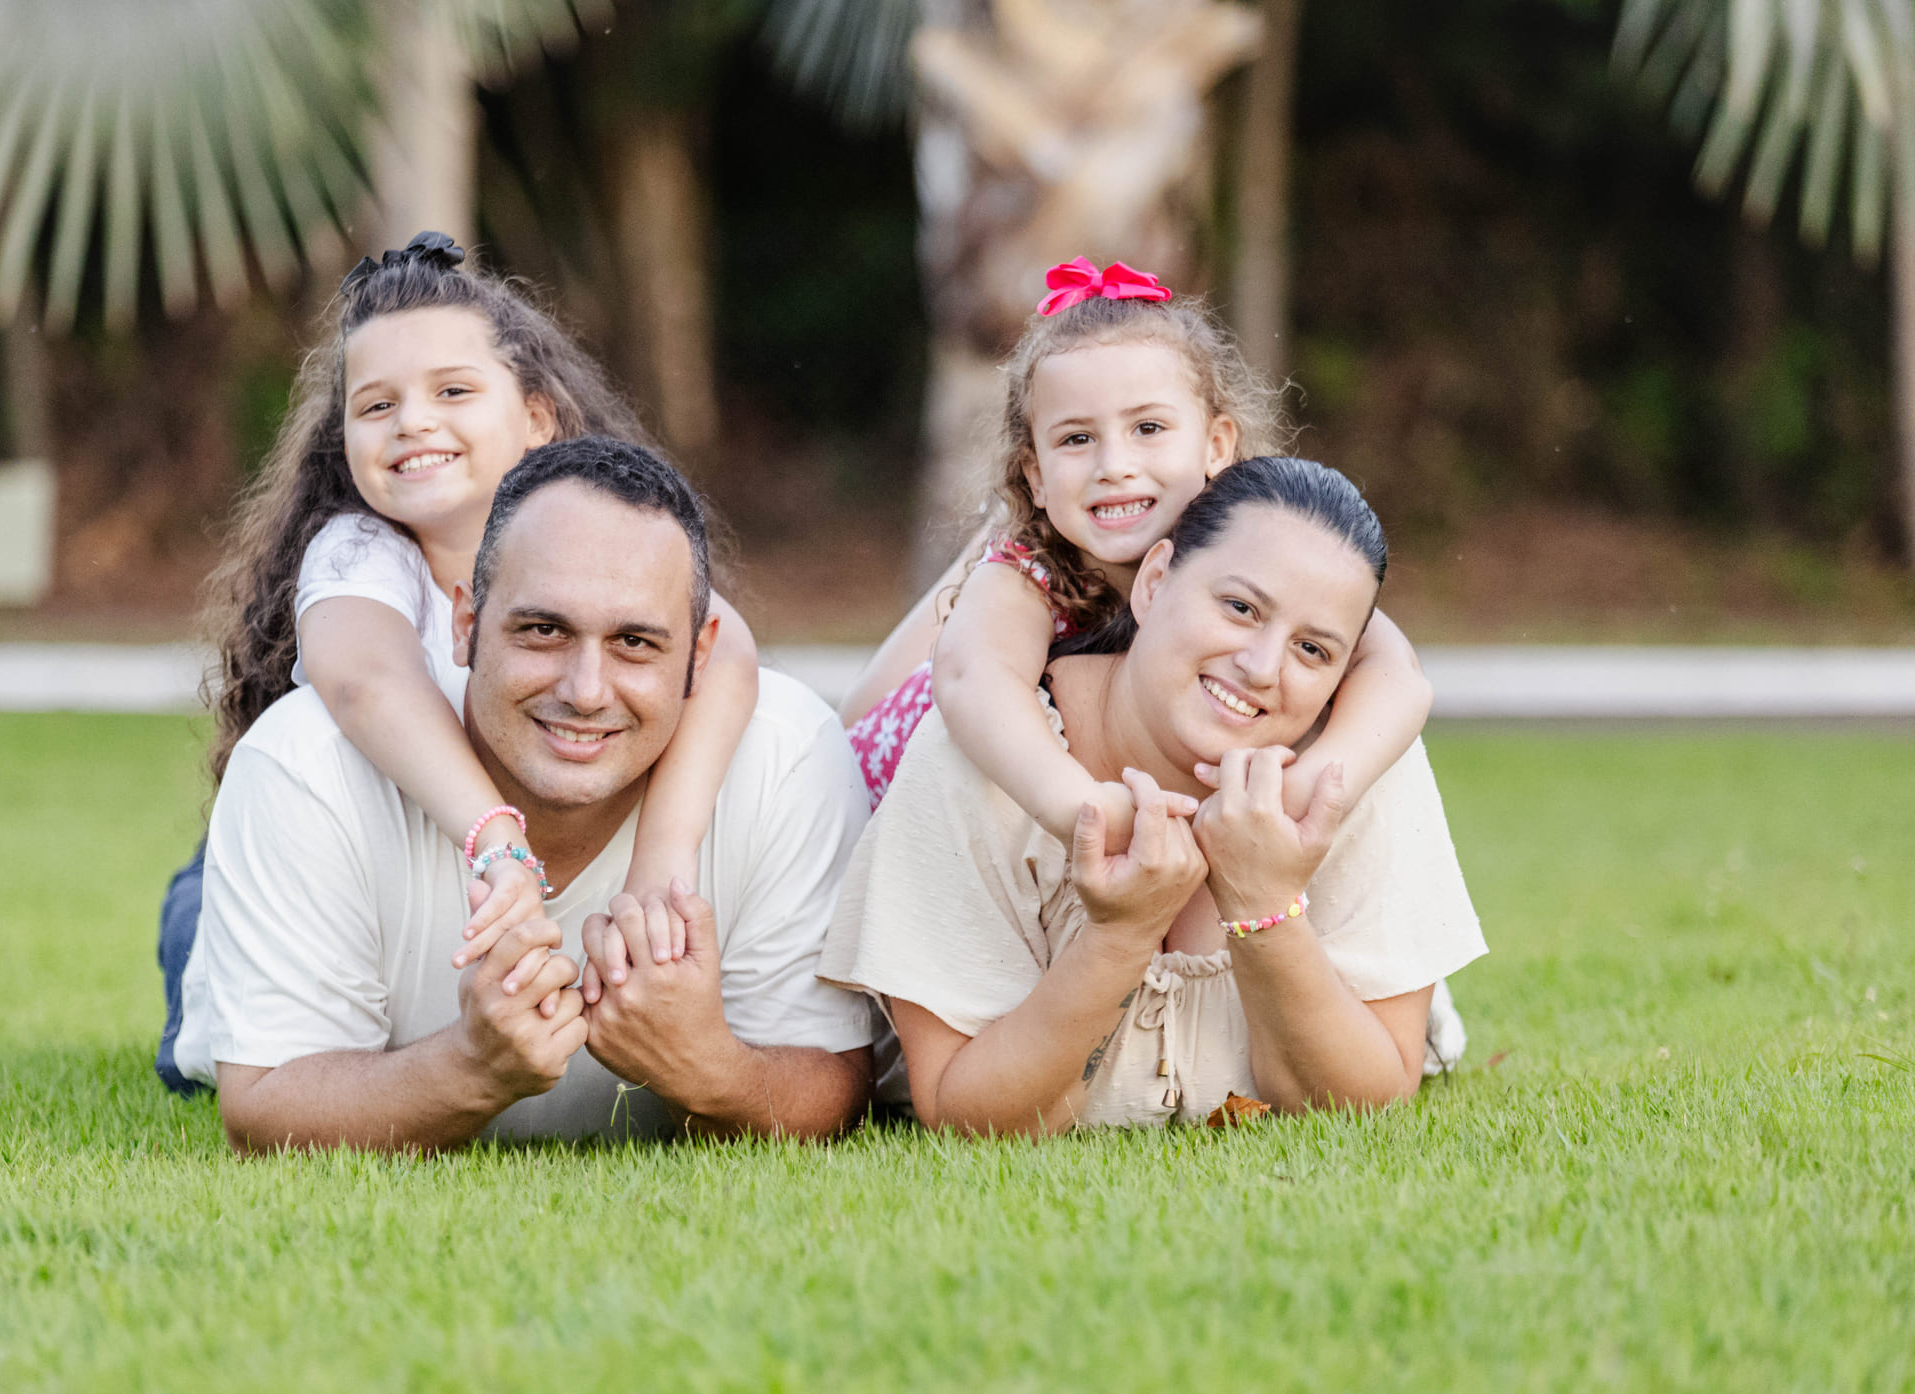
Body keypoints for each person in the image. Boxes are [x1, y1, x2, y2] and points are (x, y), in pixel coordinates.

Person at [154, 234, 758, 1092]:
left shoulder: (594, 540)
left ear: (539, 419)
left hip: (456, 886)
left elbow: (725, 649)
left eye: (452, 391)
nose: (413, 422)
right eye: (375, 406)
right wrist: (496, 838)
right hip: (318, 878)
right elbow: (364, 678)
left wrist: (663, 856)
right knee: (205, 1002)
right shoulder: (360, 554)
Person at [171, 436, 875, 1150]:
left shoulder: (788, 756)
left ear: (701, 651)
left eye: (634, 642)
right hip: (244, 948)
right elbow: (261, 1103)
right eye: (543, 630)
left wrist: (711, 1070)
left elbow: (838, 1080)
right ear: (466, 623)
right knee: (191, 969)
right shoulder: (306, 762)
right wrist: (468, 1068)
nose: (585, 691)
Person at [820, 457, 1484, 1133]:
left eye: (1312, 650)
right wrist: (1120, 934)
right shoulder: (984, 762)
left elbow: (1362, 1103)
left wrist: (1266, 906)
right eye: (1239, 608)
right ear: (1155, 580)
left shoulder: (1357, 762)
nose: (1260, 669)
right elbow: (965, 1115)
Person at [839, 257, 1431, 850]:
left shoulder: (1255, 548)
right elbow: (975, 677)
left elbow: (1394, 672)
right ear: (1036, 474)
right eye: (1077, 439)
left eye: (1148, 428)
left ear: (1217, 443)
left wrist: (1315, 786)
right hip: (886, 824)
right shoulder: (1029, 572)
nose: (1114, 466)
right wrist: (1082, 809)